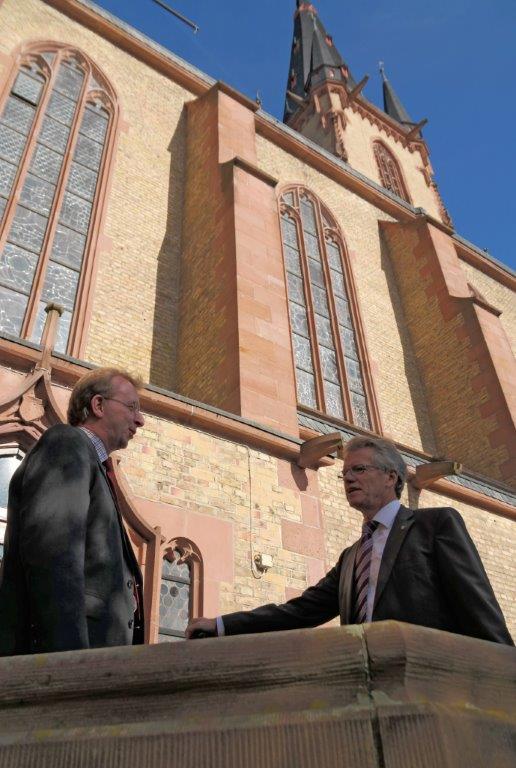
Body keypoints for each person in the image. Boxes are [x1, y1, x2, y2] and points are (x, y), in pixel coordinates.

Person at [186, 436, 513, 645]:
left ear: (391, 477)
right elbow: (300, 611)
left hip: (430, 686)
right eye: (344, 474)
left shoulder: (434, 525)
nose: (348, 479)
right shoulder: (351, 558)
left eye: (359, 470)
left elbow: (478, 608)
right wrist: (222, 625)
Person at [0, 367, 146, 655]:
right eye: (132, 408)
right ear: (98, 405)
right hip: (64, 661)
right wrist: (69, 661)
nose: (140, 420)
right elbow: (54, 554)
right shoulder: (67, 444)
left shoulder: (96, 466)